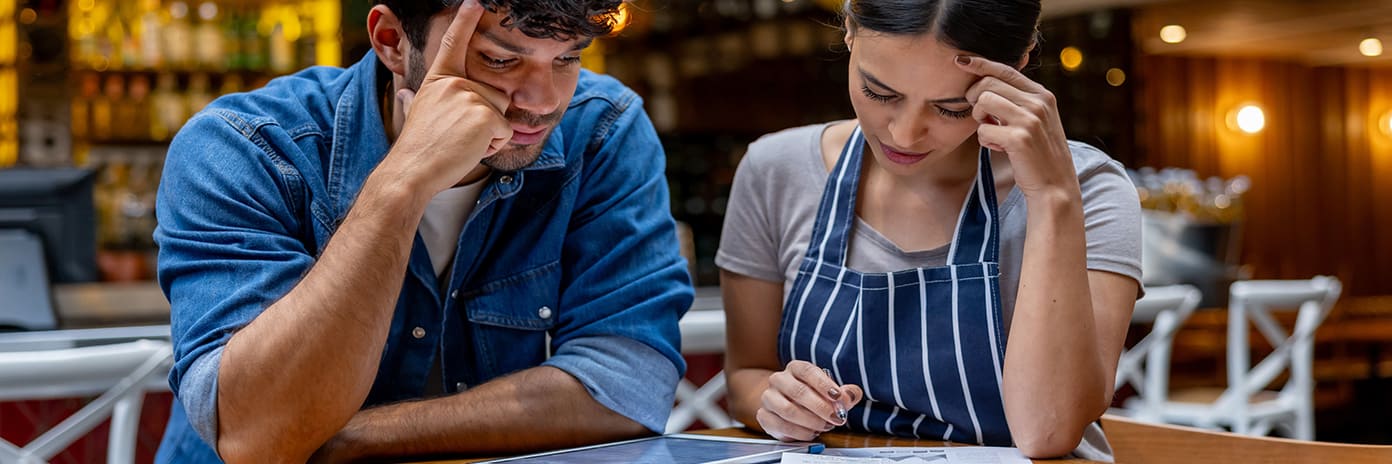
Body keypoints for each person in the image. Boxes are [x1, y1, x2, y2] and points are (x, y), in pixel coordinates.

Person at [153, 1, 693, 462]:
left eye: (568, 58)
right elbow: (260, 436)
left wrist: (354, 437)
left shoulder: (599, 129)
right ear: (391, 41)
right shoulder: (247, 148)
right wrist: (401, 184)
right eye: (500, 59)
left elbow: (628, 385)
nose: (543, 99)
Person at [717, 0, 1142, 460]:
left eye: (951, 108)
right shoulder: (774, 171)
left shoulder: (1090, 191)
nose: (903, 134)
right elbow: (747, 376)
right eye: (880, 94)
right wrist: (777, 403)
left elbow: (1047, 432)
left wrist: (1052, 197)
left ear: (1018, 66)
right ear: (849, 32)